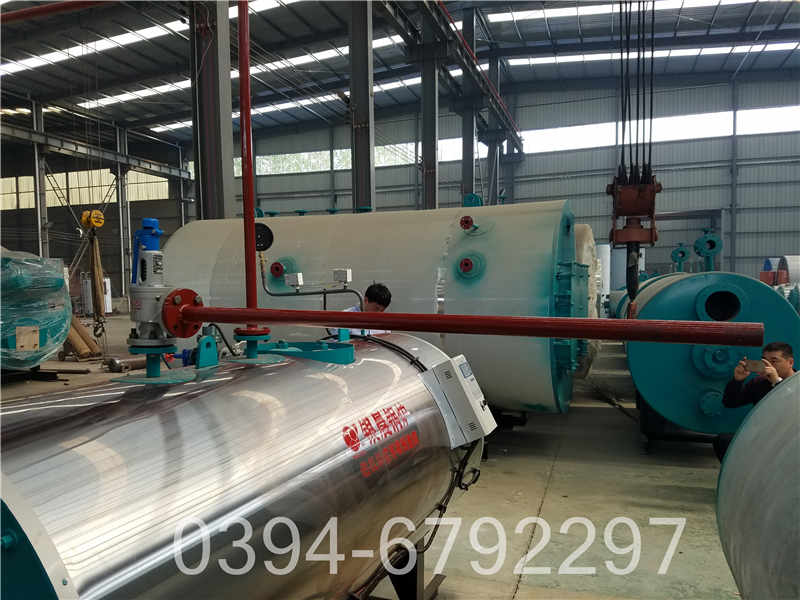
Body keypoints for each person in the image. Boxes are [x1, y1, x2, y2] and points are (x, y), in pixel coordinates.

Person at [713, 342, 796, 461]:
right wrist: (737, 381)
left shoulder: (797, 382)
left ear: (790, 362)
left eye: (774, 361)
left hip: (791, 440)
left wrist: (777, 382)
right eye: (764, 361)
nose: (768, 366)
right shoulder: (759, 383)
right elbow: (730, 402)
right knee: (723, 441)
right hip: (763, 437)